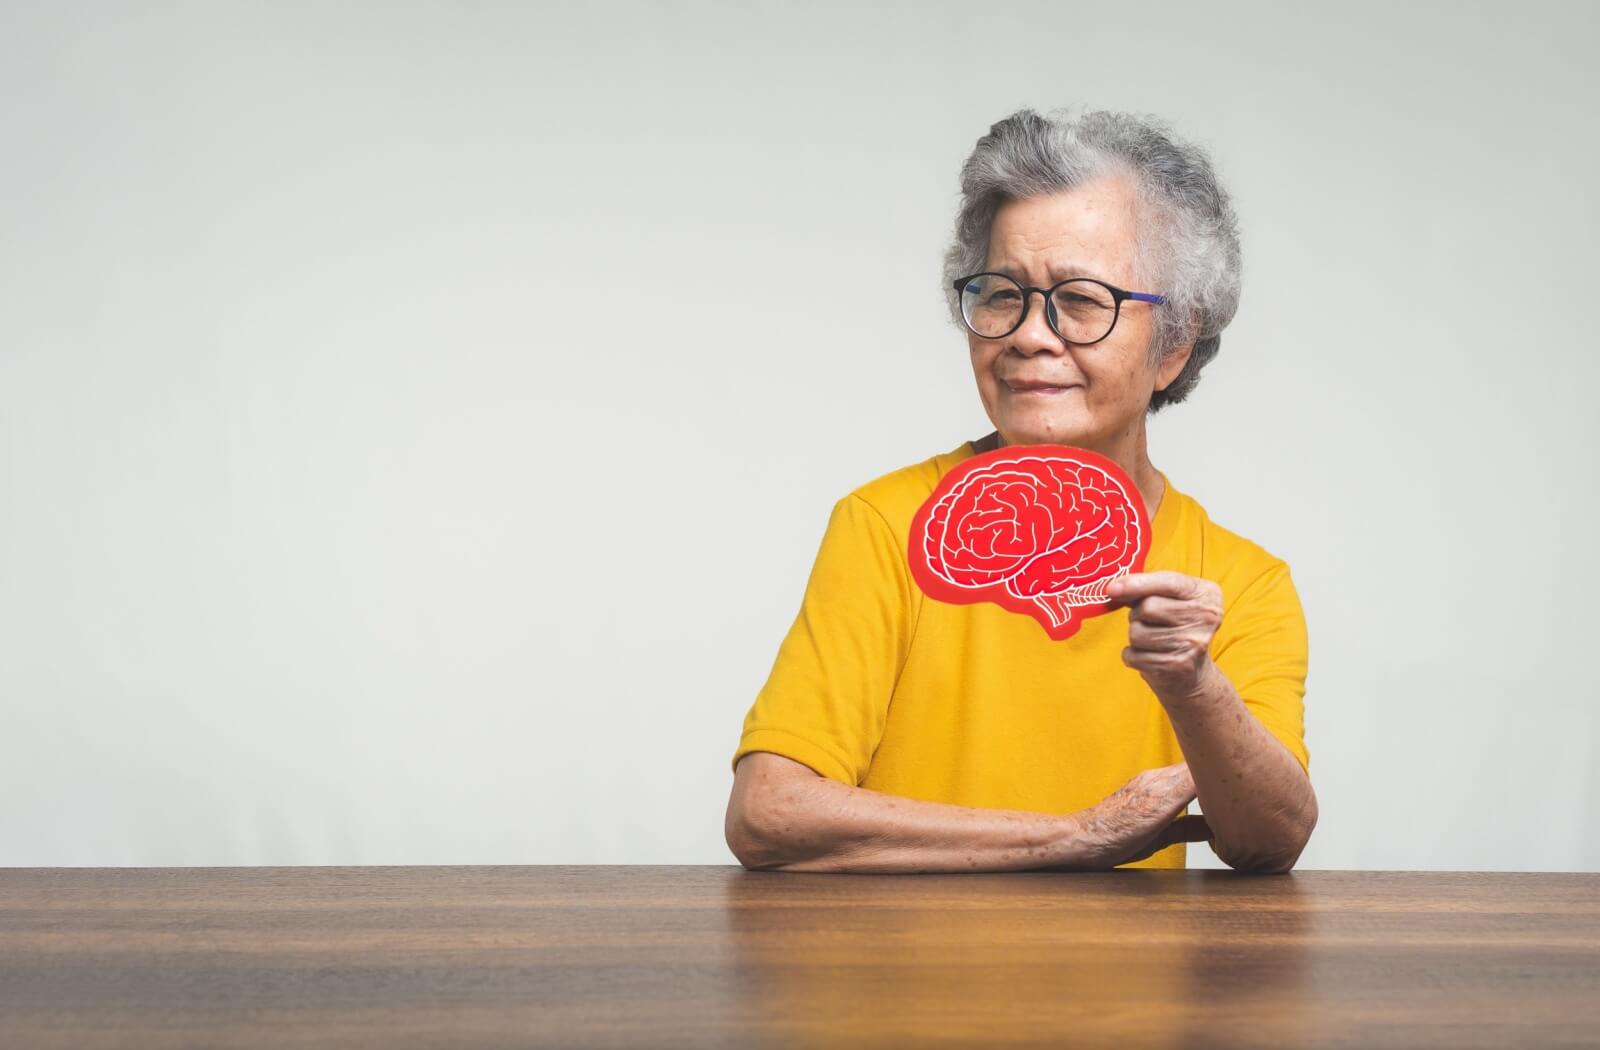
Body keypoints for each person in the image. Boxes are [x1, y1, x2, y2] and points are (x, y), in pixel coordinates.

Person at [724, 108, 1317, 874]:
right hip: (899, 989)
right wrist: (1075, 838)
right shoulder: (886, 523)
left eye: (1081, 299)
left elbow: (1269, 840)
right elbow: (768, 812)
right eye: (1002, 293)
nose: (1030, 335)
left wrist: (1192, 682)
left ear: (1173, 344)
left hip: (1133, 996)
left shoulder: (1240, 582)